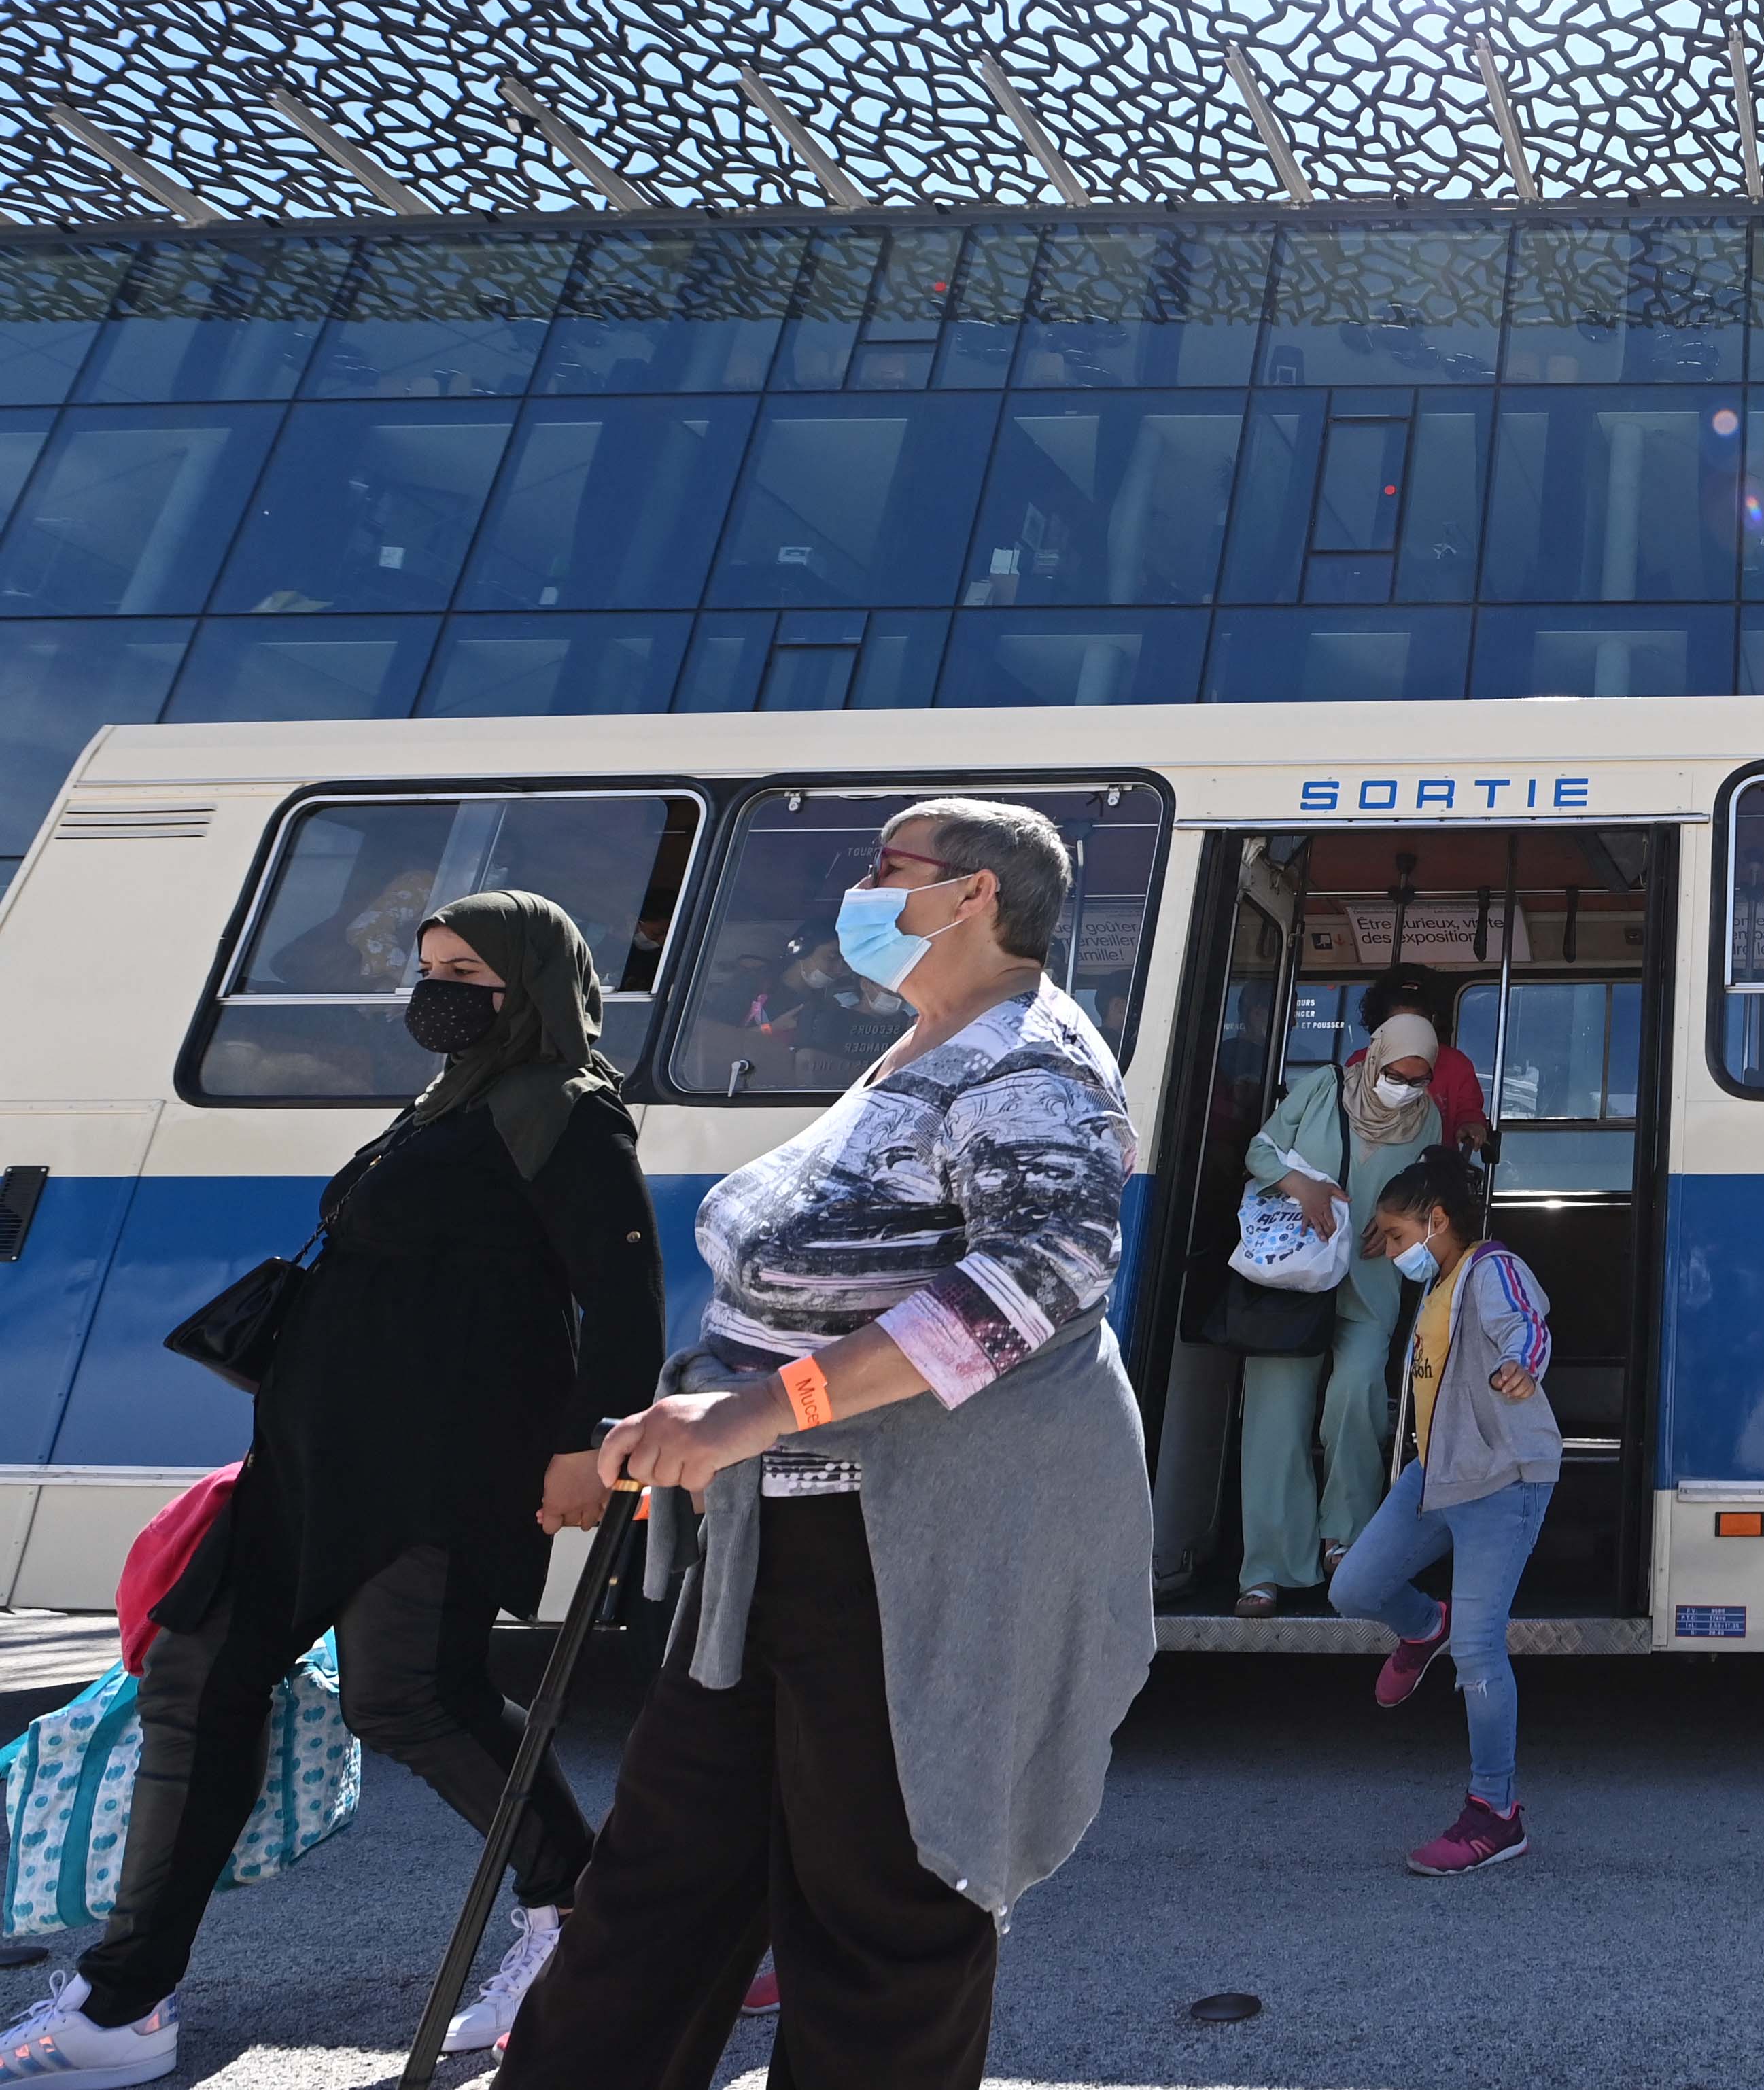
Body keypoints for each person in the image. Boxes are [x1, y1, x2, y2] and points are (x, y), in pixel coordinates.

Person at [503, 798, 1155, 2090]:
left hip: (908, 1548)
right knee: (664, 1879)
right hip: (787, 1532)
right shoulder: (922, 1046)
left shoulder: (1031, 1060)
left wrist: (756, 1409)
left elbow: (1043, 1268)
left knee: (880, 1905)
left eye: (884, 866)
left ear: (971, 894)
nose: (859, 890)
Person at [7, 893, 661, 2085]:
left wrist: (588, 1448)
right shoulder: (444, 1102)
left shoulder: (564, 1112)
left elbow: (625, 1307)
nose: (436, 991)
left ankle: (583, 1919)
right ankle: (121, 2004)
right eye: (427, 967)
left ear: (535, 980)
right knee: (198, 1681)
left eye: (468, 970)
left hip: (443, 1466)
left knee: (411, 1696)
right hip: (309, 1460)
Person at [1328, 1149, 1562, 1875]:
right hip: (1436, 1476)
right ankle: (1425, 1624)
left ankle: (1495, 1814)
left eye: (1396, 1236)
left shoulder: (1491, 1269)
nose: (1391, 1251)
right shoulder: (1439, 1285)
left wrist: (1522, 1364)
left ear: (1435, 1221)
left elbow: (1529, 1323)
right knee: (1353, 1588)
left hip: (1500, 1480)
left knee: (1480, 1653)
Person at [1230, 1009, 1449, 1614]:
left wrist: (1392, 1225)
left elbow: (1424, 1195)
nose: (1403, 1088)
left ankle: (1345, 1540)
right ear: (1375, 1056)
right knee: (1276, 1417)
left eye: (1416, 1078)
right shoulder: (1325, 1086)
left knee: (1356, 1397)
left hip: (1369, 1282)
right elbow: (1260, 1150)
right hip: (1295, 1276)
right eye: (1396, 1074)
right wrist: (1301, 1187)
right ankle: (1268, 1566)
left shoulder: (1427, 1117)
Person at [1355, 964, 1491, 1154]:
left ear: (1433, 1022)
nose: (1408, 1032)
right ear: (1381, 1024)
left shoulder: (1456, 1065)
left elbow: (1469, 1108)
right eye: (1398, 1025)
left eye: (1416, 1025)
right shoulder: (1360, 1061)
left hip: (1432, 1169)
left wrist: (1470, 1124)